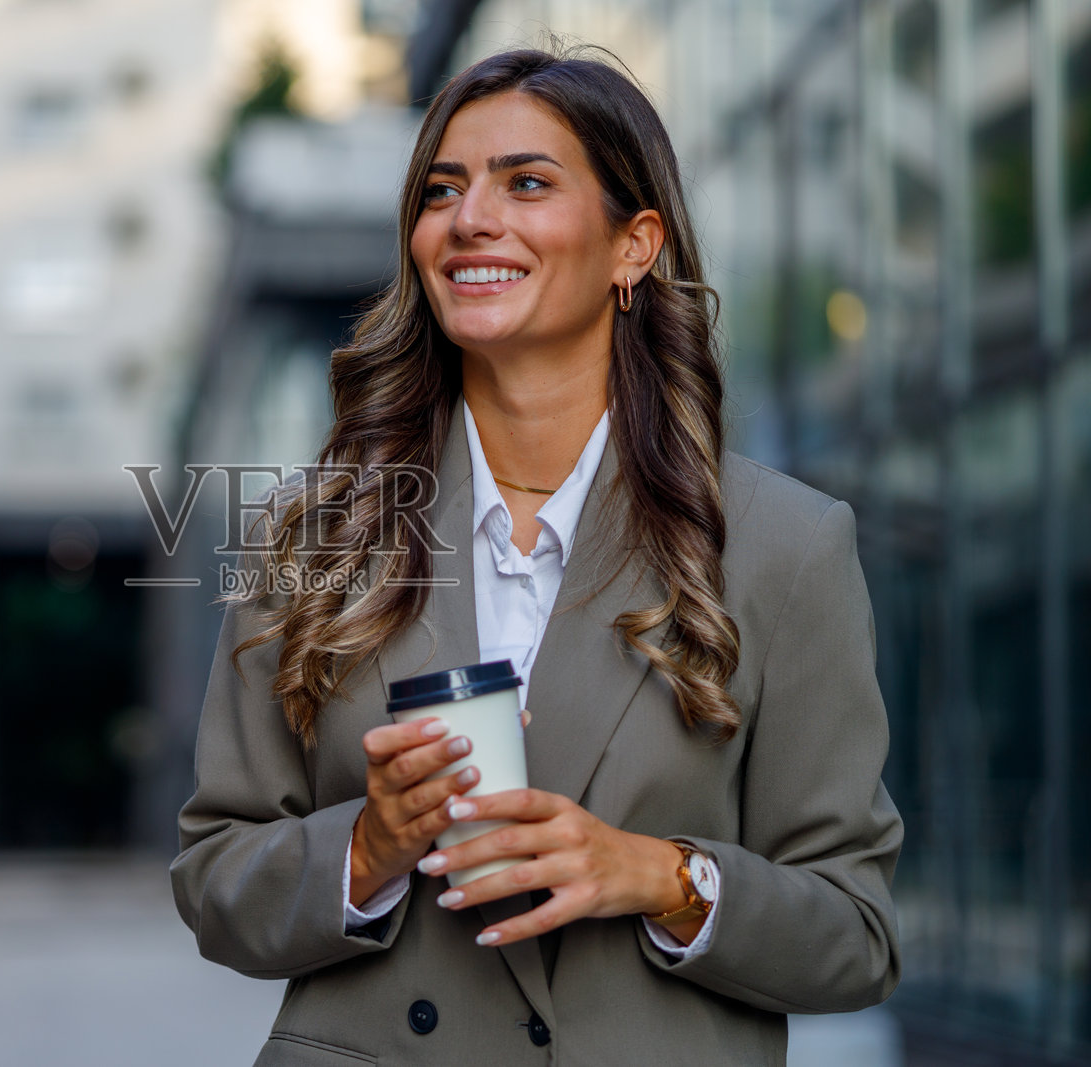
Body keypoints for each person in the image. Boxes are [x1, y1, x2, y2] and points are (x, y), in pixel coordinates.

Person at [170, 45, 902, 1066]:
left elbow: (856, 934)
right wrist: (369, 846)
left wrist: (657, 875)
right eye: (440, 189)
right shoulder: (313, 537)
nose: (469, 218)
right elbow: (214, 879)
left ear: (631, 246)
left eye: (525, 182)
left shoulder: (783, 546)